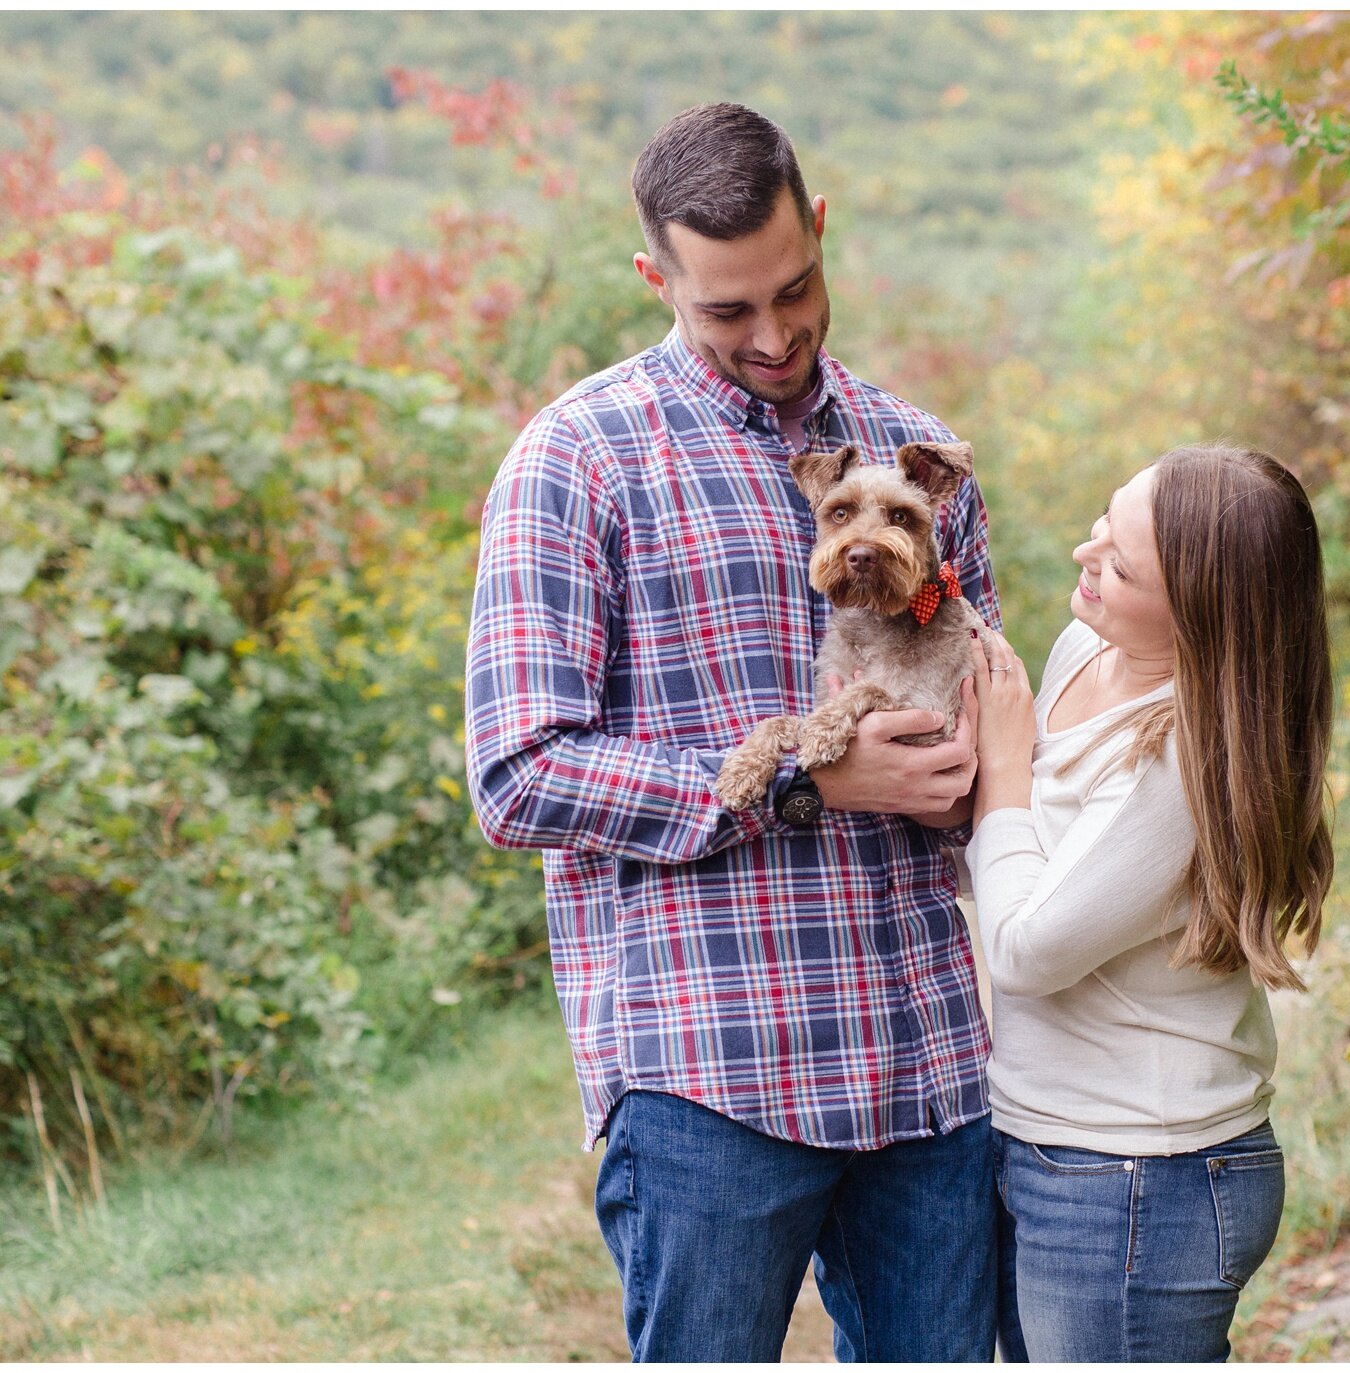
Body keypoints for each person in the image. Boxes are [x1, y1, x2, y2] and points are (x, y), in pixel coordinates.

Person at [463, 102, 1001, 1362]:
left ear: (817, 229)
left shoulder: (918, 467)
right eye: (726, 312)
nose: (773, 335)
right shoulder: (575, 460)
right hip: (711, 1067)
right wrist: (804, 788)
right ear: (657, 277)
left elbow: (982, 721)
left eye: (796, 290)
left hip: (924, 1058)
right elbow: (515, 773)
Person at [967, 443, 1334, 1362]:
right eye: (1106, 522)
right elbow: (1023, 864)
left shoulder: (1181, 758)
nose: (1088, 555)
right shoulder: (1086, 646)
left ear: (1201, 620)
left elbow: (1026, 948)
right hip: (1054, 1147)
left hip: (1137, 1174)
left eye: (1123, 566)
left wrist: (1004, 769)